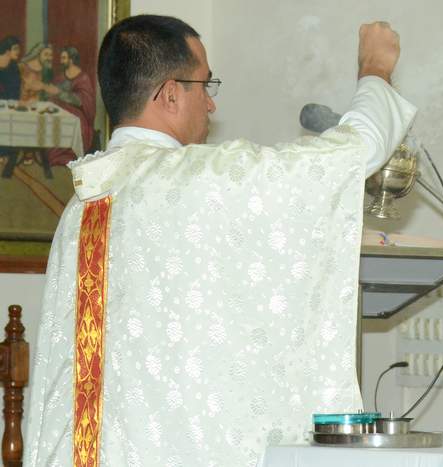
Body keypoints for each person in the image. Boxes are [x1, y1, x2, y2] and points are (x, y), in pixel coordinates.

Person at [25, 15, 416, 467]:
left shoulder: (83, 203)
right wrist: (375, 71)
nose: (211, 104)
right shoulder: (198, 179)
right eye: (205, 85)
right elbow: (350, 153)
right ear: (171, 93)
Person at [45, 46, 98, 166]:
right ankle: (55, 157)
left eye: (64, 58)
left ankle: (68, 156)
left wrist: (59, 93)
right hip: (59, 113)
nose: (61, 61)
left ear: (71, 59)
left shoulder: (83, 78)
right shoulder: (60, 76)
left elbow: (83, 101)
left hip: (78, 117)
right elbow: (52, 95)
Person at [0, 36, 21, 100]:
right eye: (15, 49)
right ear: (7, 51)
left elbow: (15, 89)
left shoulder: (14, 66)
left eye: (18, 49)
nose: (18, 51)